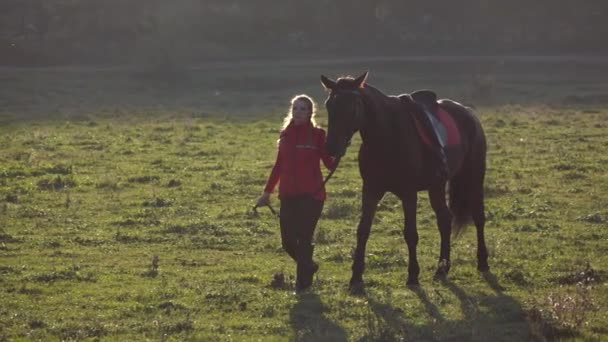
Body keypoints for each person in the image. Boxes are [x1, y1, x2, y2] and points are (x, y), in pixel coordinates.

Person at [256, 94, 336, 292]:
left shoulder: (318, 135)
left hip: (312, 196)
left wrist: (337, 149)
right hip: (288, 195)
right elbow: (278, 166)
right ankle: (308, 265)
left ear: (310, 113)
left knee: (304, 238)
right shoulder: (285, 135)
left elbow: (329, 163)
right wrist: (267, 193)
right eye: (296, 108)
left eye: (303, 109)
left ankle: (302, 286)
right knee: (287, 242)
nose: (298, 112)